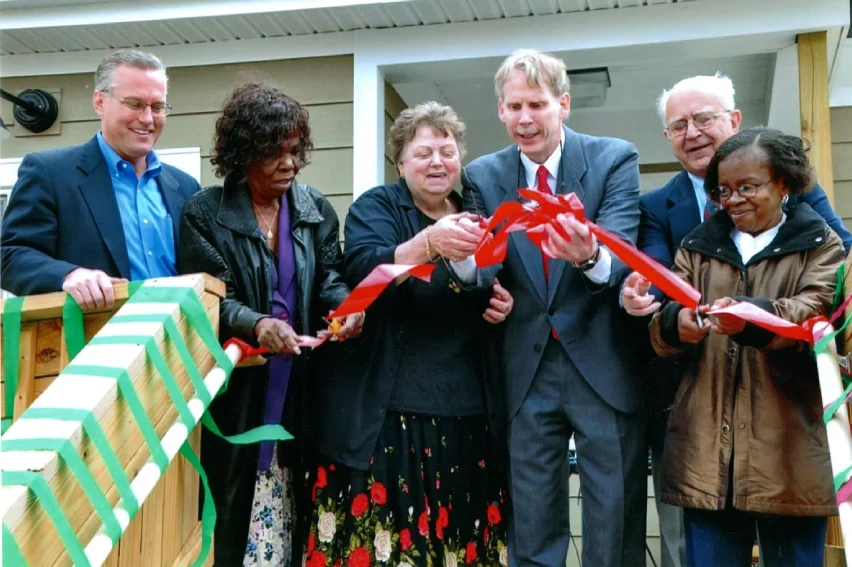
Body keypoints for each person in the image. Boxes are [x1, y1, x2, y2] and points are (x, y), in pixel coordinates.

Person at [620, 73, 852, 567]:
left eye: (749, 186)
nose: (735, 199)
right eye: (724, 190)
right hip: (709, 458)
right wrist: (672, 325)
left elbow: (816, 309)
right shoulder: (696, 244)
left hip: (789, 451)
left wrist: (752, 317)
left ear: (783, 185)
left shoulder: (821, 241)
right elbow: (668, 313)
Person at [304, 101, 513, 567]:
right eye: (423, 153)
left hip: (467, 416)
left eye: (447, 150)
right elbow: (359, 272)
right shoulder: (377, 206)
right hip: (389, 421)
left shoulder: (479, 212)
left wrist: (503, 300)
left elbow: (499, 276)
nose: (437, 161)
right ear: (400, 162)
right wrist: (426, 243)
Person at [462, 49, 646, 567]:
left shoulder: (613, 158)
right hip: (526, 367)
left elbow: (622, 251)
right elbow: (484, 263)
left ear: (563, 104)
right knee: (533, 522)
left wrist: (589, 257)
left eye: (537, 105)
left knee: (613, 521)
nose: (525, 119)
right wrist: (485, 292)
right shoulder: (481, 175)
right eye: (514, 105)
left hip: (600, 364)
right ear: (500, 109)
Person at [178, 83, 364, 567]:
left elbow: (328, 275)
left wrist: (345, 307)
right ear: (242, 153)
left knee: (299, 524)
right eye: (273, 152)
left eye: (295, 150)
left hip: (303, 395)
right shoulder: (204, 213)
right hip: (239, 398)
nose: (289, 163)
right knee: (229, 524)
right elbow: (210, 298)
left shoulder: (315, 209)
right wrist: (257, 324)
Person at [1, 48, 200, 308]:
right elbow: (10, 256)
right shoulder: (50, 173)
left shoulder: (185, 187)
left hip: (178, 341)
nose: (148, 118)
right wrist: (68, 275)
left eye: (158, 106)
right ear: (99, 102)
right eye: (135, 104)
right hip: (92, 341)